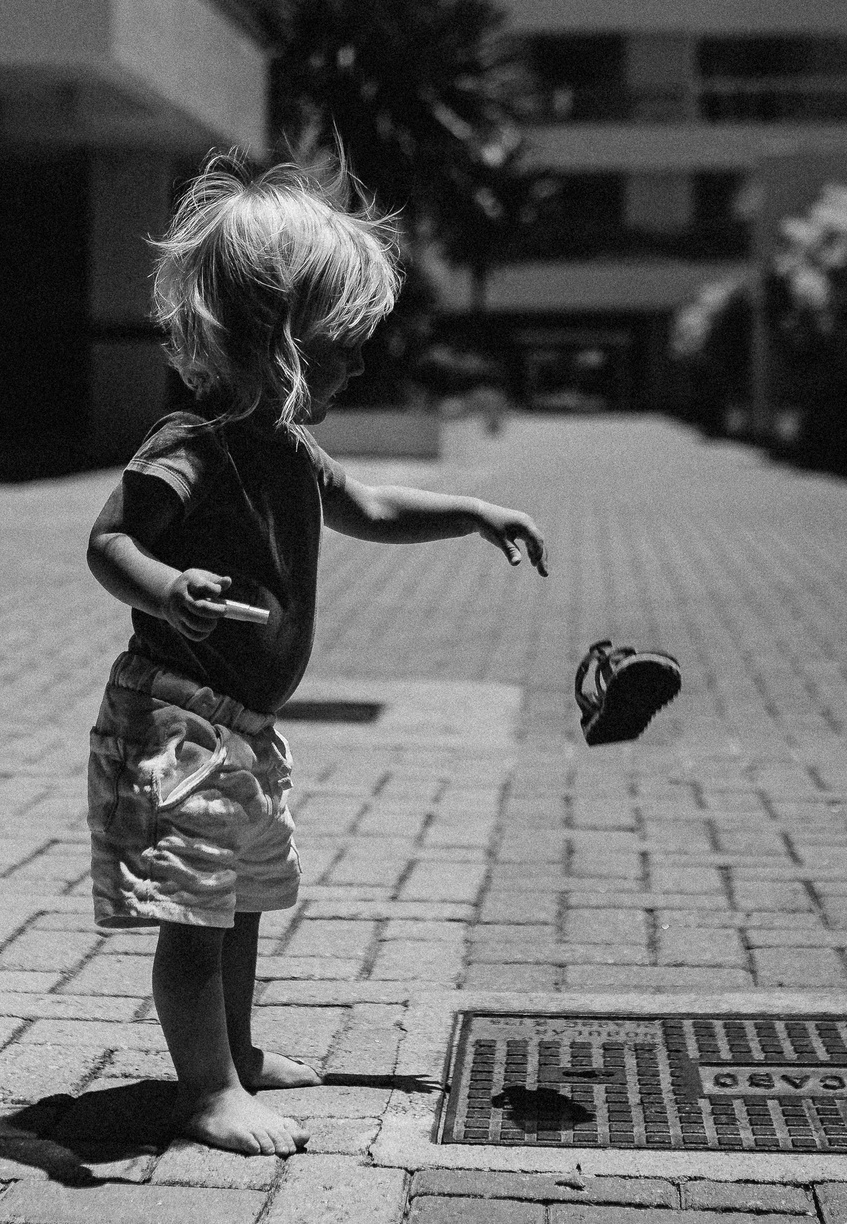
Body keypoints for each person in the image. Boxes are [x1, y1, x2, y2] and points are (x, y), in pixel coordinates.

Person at [83, 152, 548, 1156]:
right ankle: (205, 1091)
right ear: (274, 339)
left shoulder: (287, 448)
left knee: (241, 896)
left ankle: (235, 1057)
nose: (358, 367)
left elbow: (371, 507)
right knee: (198, 909)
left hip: (242, 722)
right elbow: (109, 542)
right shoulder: (193, 440)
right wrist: (168, 586)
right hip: (177, 712)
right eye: (341, 347)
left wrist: (471, 511)